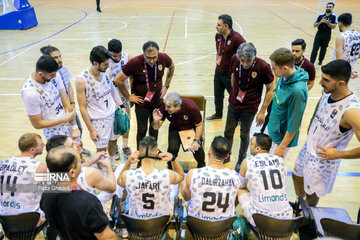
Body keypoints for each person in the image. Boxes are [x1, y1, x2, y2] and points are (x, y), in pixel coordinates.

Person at [293, 60, 360, 206]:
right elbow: (317, 112)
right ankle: (300, 206)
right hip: (309, 148)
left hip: (323, 159)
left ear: (341, 83)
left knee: (312, 192)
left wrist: (338, 154)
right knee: (296, 176)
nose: (320, 82)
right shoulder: (327, 92)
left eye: (326, 80)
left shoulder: (351, 111)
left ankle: (308, 216)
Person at [40, 146, 117, 239]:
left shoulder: (46, 195)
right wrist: (109, 166)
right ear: (72, 172)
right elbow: (108, 237)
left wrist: (93, 160)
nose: (81, 160)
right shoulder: (88, 202)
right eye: (79, 161)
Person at [114, 41, 175, 148]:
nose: (151, 61)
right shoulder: (135, 62)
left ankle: (153, 151)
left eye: (154, 57)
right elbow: (118, 80)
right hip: (142, 104)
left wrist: (166, 85)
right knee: (142, 130)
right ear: (143, 54)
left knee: (155, 128)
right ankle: (141, 153)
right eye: (148, 58)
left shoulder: (163, 58)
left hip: (157, 102)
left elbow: (172, 67)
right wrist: (129, 96)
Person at [224, 43, 274, 171]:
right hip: (234, 105)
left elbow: (270, 89)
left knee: (244, 135)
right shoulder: (235, 59)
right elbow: (233, 76)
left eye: (248, 61)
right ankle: (226, 154)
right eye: (242, 61)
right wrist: (233, 93)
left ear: (254, 57)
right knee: (228, 132)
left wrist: (262, 111)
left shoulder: (263, 66)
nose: (245, 64)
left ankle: (241, 157)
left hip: (250, 108)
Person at [40, 45, 91, 156]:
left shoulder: (62, 69)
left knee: (78, 129)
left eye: (60, 56)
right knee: (63, 141)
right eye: (55, 58)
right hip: (59, 114)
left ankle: (78, 149)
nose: (59, 60)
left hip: (69, 108)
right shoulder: (47, 78)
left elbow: (68, 85)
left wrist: (72, 103)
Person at [118, 136, 184, 219]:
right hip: (161, 223)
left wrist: (128, 162)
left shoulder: (128, 175)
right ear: (157, 153)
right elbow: (181, 176)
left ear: (139, 153)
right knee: (173, 186)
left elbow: (119, 181)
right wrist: (173, 159)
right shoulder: (167, 174)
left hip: (136, 224)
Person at [237, 133, 293, 226]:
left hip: (260, 220)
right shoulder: (280, 160)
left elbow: (240, 185)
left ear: (257, 148)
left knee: (240, 188)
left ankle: (231, 218)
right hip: (285, 219)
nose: (249, 146)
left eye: (251, 144)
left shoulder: (248, 162)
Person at [76, 46, 118, 165]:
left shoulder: (106, 72)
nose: (108, 66)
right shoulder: (81, 80)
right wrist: (91, 130)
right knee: (101, 150)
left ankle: (113, 164)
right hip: (98, 120)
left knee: (113, 141)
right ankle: (103, 172)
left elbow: (112, 91)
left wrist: (120, 107)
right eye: (105, 64)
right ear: (95, 63)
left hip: (111, 113)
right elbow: (82, 107)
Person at [21, 55, 79, 140]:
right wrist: (64, 119)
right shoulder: (30, 93)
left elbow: (64, 97)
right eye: (52, 75)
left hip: (67, 124)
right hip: (54, 133)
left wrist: (74, 126)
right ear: (41, 74)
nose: (55, 76)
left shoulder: (54, 75)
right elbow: (37, 124)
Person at [182, 136, 240, 221]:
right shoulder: (235, 176)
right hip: (223, 227)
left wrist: (184, 180)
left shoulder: (193, 174)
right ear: (227, 156)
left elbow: (186, 197)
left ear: (209, 152)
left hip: (197, 226)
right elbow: (235, 202)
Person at [267, 48, 309, 158]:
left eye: (274, 68)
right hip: (274, 129)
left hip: (281, 139)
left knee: (273, 169)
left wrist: (282, 147)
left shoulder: (297, 92)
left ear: (285, 68)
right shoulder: (284, 76)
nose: (272, 70)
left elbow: (294, 123)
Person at [45, 135, 116, 196]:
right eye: (72, 145)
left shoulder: (47, 171)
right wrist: (109, 166)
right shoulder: (89, 173)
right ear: (65, 154)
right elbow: (112, 188)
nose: (78, 143)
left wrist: (92, 160)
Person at [207, 14, 246, 120]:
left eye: (219, 25)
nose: (216, 27)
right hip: (218, 71)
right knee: (217, 95)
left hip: (230, 74)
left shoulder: (237, 38)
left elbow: (246, 52)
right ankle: (218, 114)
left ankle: (241, 118)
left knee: (234, 98)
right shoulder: (218, 36)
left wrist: (239, 69)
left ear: (226, 26)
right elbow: (219, 51)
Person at [152, 92, 205, 168]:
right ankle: (170, 166)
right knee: (172, 149)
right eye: (166, 106)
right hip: (175, 127)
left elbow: (199, 125)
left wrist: (196, 141)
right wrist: (156, 121)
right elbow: (156, 127)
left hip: (190, 128)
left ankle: (201, 166)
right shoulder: (165, 107)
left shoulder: (191, 107)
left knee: (197, 149)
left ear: (177, 106)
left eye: (169, 107)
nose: (166, 109)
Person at [0, 133, 47, 216]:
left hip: (4, 216)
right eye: (41, 144)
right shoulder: (39, 167)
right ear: (32, 150)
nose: (44, 145)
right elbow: (55, 187)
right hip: (29, 217)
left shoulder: (6, 161)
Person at [107, 39, 132, 156]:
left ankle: (125, 146)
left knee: (125, 121)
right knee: (113, 123)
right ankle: (114, 146)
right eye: (114, 56)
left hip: (124, 94)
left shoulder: (127, 57)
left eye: (119, 56)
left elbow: (133, 77)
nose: (117, 58)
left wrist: (131, 95)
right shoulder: (105, 61)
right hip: (110, 97)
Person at [333, 13, 360, 78]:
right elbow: (358, 55)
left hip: (338, 70)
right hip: (349, 69)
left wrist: (343, 72)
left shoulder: (341, 37)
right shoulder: (358, 35)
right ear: (351, 22)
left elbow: (338, 60)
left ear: (339, 23)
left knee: (329, 87)